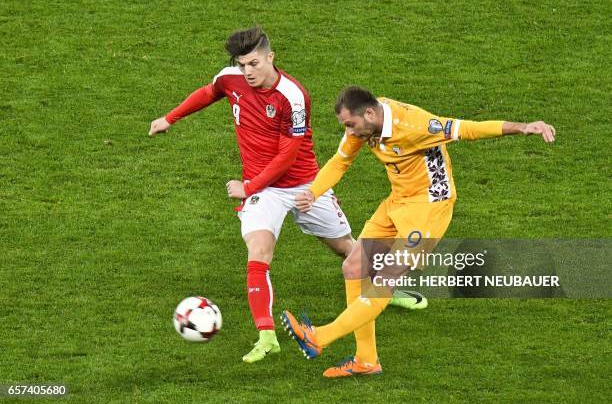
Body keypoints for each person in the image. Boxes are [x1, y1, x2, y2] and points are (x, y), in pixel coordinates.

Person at [281, 86, 556, 377]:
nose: (349, 131)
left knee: (385, 279)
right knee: (354, 266)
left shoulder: (416, 125)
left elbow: (468, 129)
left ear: (370, 114)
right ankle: (366, 360)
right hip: (398, 200)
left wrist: (524, 128)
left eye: (350, 124)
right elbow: (341, 161)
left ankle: (320, 337)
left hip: (428, 209)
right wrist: (314, 192)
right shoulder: (365, 125)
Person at [148, 26, 355, 363]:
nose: (248, 72)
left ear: (271, 57)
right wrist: (170, 118)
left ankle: (385, 291)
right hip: (264, 190)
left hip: (303, 184)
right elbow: (208, 92)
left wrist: (249, 186)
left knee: (347, 248)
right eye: (242, 64)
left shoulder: (293, 96)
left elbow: (289, 153)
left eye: (254, 63)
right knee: (258, 252)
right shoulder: (232, 78)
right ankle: (267, 335)